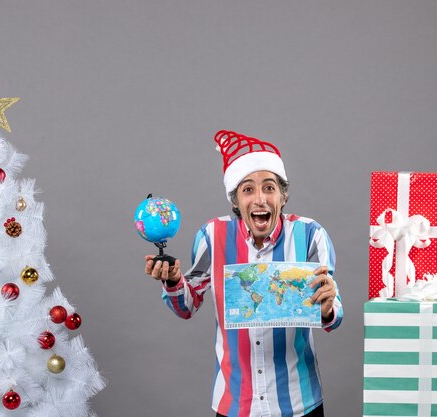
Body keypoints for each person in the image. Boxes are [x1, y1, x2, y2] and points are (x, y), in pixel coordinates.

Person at [144, 130, 343, 417]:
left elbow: (334, 315)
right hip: (234, 403)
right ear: (235, 200)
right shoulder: (212, 236)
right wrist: (174, 280)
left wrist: (326, 307)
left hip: (300, 404)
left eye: (270, 188)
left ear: (283, 196)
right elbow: (186, 306)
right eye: (248, 189)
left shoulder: (311, 235)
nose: (260, 199)